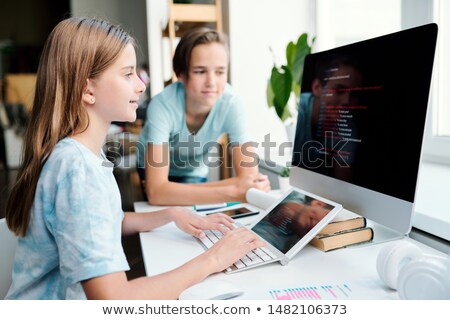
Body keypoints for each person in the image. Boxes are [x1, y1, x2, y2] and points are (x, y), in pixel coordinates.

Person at [4, 17, 265, 300]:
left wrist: (170, 214)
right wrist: (214, 260)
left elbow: (104, 220)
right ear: (87, 89)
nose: (141, 86)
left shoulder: (86, 154)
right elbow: (112, 299)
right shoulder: (78, 169)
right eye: (128, 74)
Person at [137, 27, 270, 205]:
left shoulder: (232, 104)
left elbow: (250, 178)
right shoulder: (162, 106)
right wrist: (235, 190)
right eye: (200, 71)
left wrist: (165, 190)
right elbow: (156, 193)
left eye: (220, 72)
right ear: (181, 74)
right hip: (150, 171)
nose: (212, 83)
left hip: (194, 173)